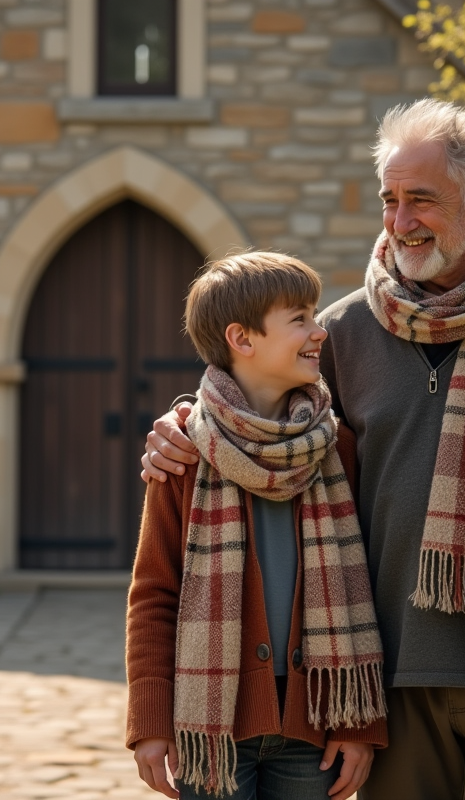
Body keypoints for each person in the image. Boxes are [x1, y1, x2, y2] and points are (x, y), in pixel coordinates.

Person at [140, 100, 465, 799]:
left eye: (421, 199)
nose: (400, 220)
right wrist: (182, 423)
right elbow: (261, 419)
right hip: (390, 677)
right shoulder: (343, 331)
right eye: (390, 199)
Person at [125, 252, 388, 800]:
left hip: (315, 717)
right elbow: (154, 593)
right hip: (210, 724)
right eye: (300, 319)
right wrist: (149, 721)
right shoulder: (184, 454)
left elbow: (363, 585)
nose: (319, 332)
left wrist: (359, 723)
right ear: (242, 340)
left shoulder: (338, 447)